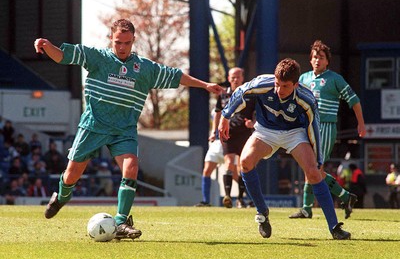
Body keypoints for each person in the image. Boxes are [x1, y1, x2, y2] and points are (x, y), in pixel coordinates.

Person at [34, 18, 223, 240]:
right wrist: (47, 46)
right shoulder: (97, 57)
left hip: (123, 130)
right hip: (94, 125)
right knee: (71, 175)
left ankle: (121, 222)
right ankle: (61, 198)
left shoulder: (144, 68)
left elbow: (176, 76)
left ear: (134, 40)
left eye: (126, 43)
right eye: (117, 42)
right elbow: (64, 56)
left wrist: (205, 85)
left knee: (131, 166)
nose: (122, 47)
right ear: (110, 40)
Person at [218, 58, 350, 240]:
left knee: (313, 172)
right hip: (265, 130)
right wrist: (225, 116)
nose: (279, 90)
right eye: (277, 84)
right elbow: (241, 91)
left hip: (295, 133)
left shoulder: (307, 99)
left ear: (296, 84)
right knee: (245, 163)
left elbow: (314, 131)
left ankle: (335, 227)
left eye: (285, 86)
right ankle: (262, 213)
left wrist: (318, 159)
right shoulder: (263, 83)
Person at [290, 40, 366, 220]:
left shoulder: (335, 79)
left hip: (325, 126)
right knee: (311, 168)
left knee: (315, 167)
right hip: (307, 125)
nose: (317, 60)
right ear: (310, 60)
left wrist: (361, 123)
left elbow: (354, 101)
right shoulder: (303, 79)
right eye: (315, 57)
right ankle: (345, 197)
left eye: (321, 57)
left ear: (327, 61)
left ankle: (308, 208)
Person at [219, 67, 256, 208]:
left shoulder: (250, 94)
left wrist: (252, 123)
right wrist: (214, 131)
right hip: (229, 133)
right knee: (228, 163)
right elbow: (218, 113)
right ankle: (228, 196)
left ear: (242, 78)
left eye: (238, 77)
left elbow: (256, 113)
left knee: (242, 166)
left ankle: (241, 199)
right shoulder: (223, 94)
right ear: (228, 78)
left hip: (244, 134)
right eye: (232, 77)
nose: (235, 79)